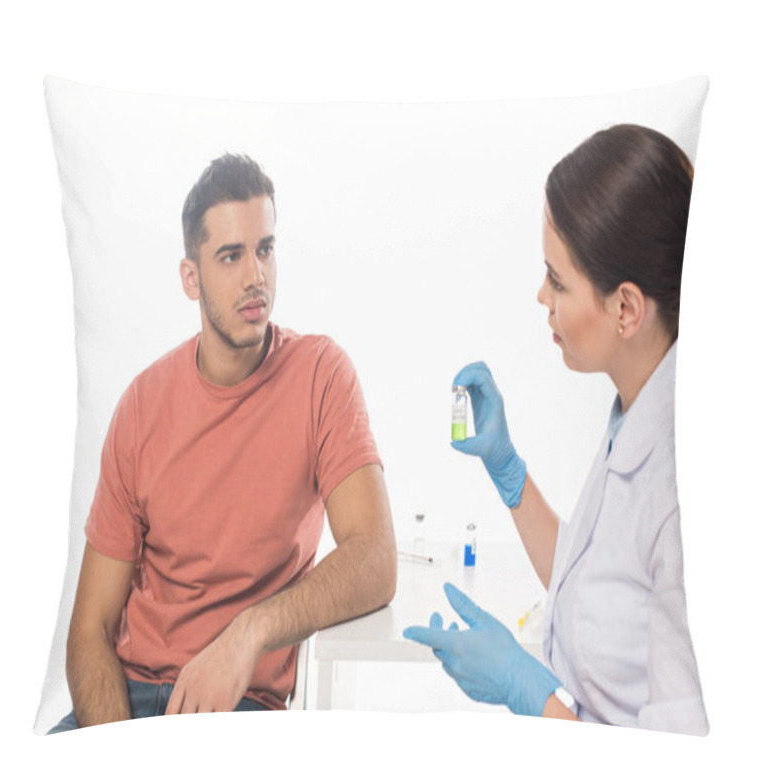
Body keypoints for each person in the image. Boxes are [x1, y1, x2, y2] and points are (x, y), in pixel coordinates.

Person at [49, 154, 396, 730]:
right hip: (125, 703)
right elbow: (89, 630)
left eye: (265, 249)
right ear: (192, 277)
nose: (255, 275)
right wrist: (113, 761)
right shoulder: (142, 406)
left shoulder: (321, 375)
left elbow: (376, 559)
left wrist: (250, 632)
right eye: (231, 256)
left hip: (236, 707)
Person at [403, 125, 709, 735]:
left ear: (625, 308)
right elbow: (593, 587)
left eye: (559, 280)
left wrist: (526, 690)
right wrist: (507, 470)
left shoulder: (684, 490)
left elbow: (676, 769)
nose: (541, 295)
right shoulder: (637, 405)